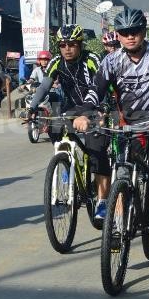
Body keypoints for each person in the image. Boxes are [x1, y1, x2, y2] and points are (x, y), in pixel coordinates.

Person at [74, 8, 149, 213]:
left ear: (143, 31)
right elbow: (97, 89)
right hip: (130, 122)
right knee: (122, 177)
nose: (130, 36)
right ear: (118, 35)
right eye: (125, 32)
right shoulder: (111, 61)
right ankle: (117, 232)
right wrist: (85, 112)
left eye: (135, 31)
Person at [28, 24, 111, 220]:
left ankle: (102, 202)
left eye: (72, 44)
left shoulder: (92, 59)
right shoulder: (56, 62)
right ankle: (67, 164)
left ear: (80, 44)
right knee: (56, 131)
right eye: (63, 44)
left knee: (97, 153)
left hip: (95, 109)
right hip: (70, 109)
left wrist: (101, 112)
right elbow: (44, 86)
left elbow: (102, 87)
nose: (67, 48)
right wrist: (32, 107)